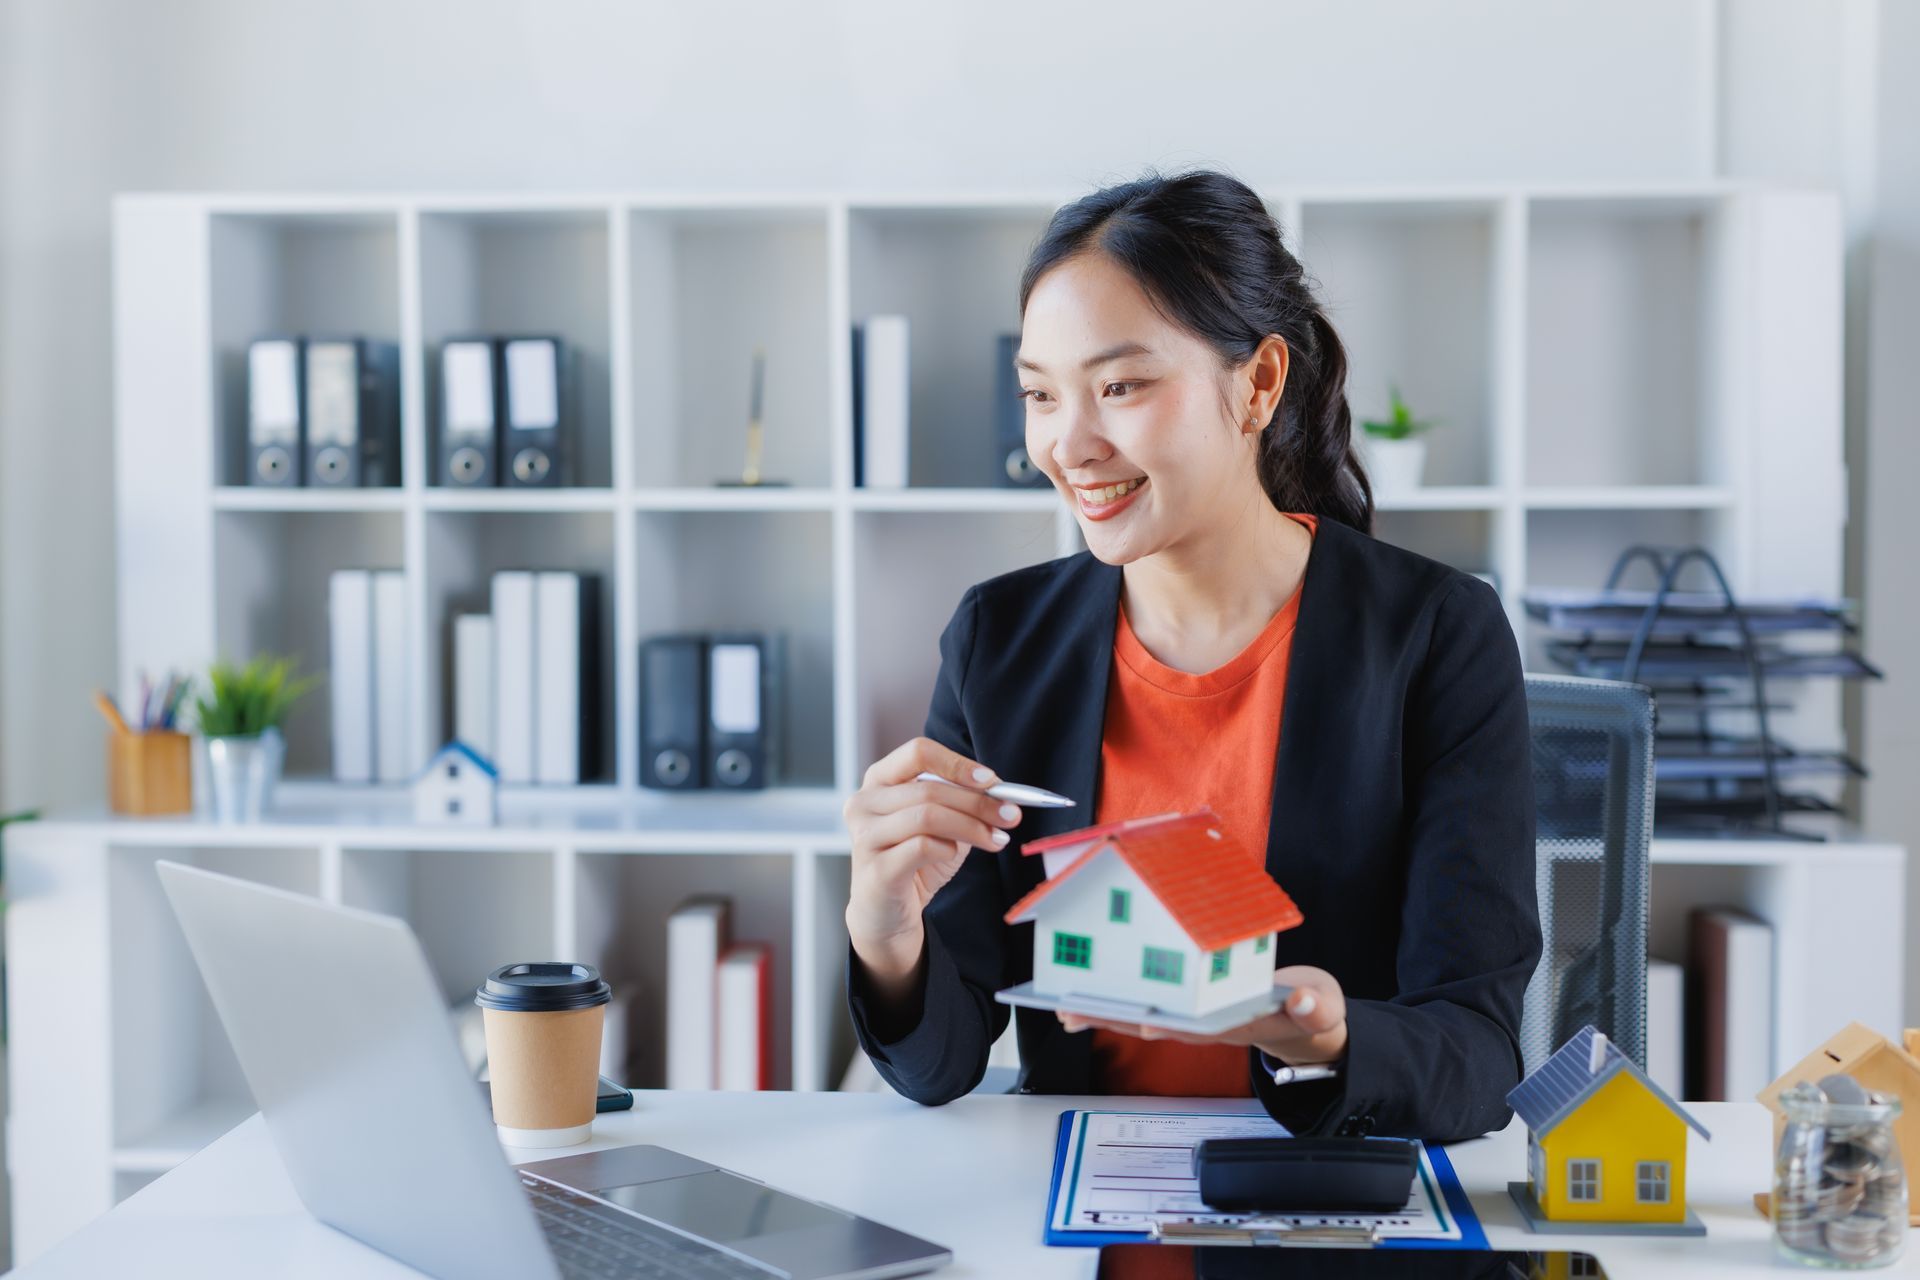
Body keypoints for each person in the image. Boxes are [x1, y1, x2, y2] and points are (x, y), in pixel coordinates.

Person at [841, 168, 1540, 1145]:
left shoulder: (1436, 635)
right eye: (1040, 395)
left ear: (1256, 384)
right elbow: (942, 1062)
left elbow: (1478, 1051)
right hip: (1082, 1200)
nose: (1068, 443)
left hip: (1324, 1201)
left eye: (1120, 385)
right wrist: (886, 931)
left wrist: (1331, 1040)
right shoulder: (1000, 640)